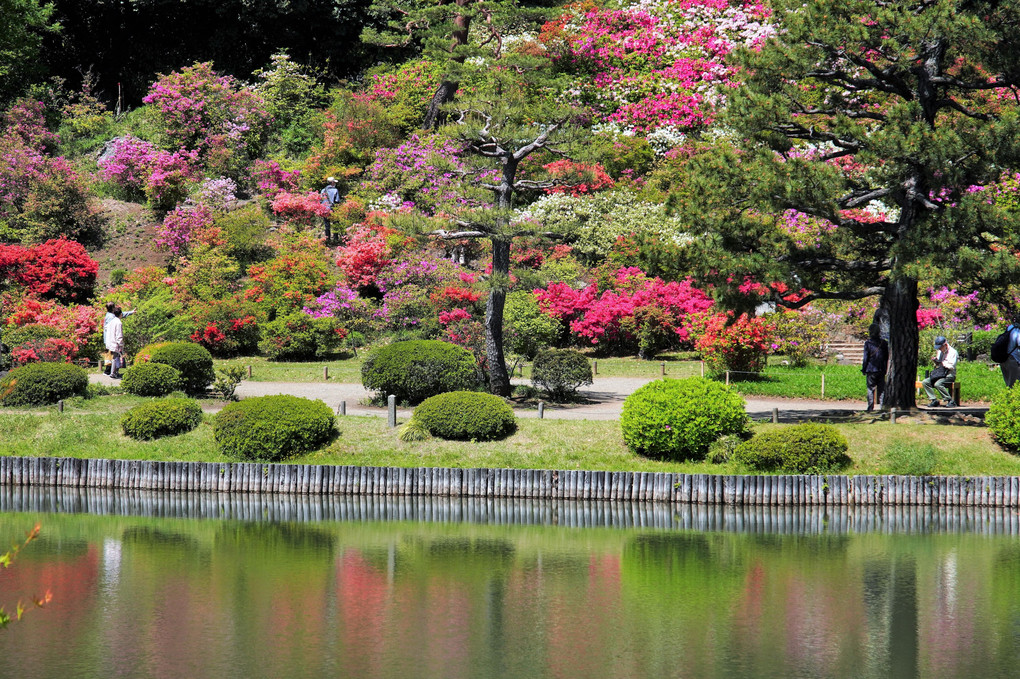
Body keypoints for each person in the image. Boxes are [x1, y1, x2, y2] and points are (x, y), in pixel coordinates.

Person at [922, 335, 958, 407]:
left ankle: (950, 400)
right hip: (940, 373)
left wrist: (943, 363)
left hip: (949, 374)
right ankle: (934, 400)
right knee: (925, 382)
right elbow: (939, 363)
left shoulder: (953, 352)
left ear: (945, 345)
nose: (940, 349)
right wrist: (936, 361)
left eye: (940, 347)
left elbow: (951, 366)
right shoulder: (940, 351)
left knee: (938, 384)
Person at [102, 302, 135, 375]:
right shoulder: (112, 318)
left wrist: (131, 312)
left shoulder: (109, 315)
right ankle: (110, 372)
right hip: (111, 340)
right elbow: (120, 315)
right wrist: (120, 343)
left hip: (109, 339)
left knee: (112, 356)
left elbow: (120, 314)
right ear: (113, 308)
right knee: (112, 357)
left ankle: (111, 372)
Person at [861, 324, 888, 411]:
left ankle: (870, 407)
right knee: (882, 390)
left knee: (870, 389)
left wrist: (864, 368)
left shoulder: (868, 343)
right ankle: (882, 407)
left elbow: (866, 357)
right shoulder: (883, 343)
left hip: (871, 369)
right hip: (881, 369)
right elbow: (886, 357)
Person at [104, 306, 125, 379]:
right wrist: (121, 344)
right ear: (121, 314)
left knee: (114, 358)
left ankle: (114, 373)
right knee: (116, 358)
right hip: (115, 343)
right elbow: (119, 334)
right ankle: (113, 373)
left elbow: (106, 328)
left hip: (110, 342)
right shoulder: (118, 322)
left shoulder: (112, 321)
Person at [1002, 313, 1020, 389]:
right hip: (1013, 360)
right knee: (1014, 386)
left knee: (1009, 384)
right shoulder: (1018, 331)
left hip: (1004, 358)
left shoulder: (1010, 328)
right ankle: (1011, 400)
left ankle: (1008, 399)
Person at [319, 177, 339, 243]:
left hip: (325, 210)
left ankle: (328, 240)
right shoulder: (335, 190)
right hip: (332, 209)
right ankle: (336, 239)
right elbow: (337, 201)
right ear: (332, 183)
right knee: (335, 224)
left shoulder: (323, 190)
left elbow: (320, 200)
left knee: (327, 225)